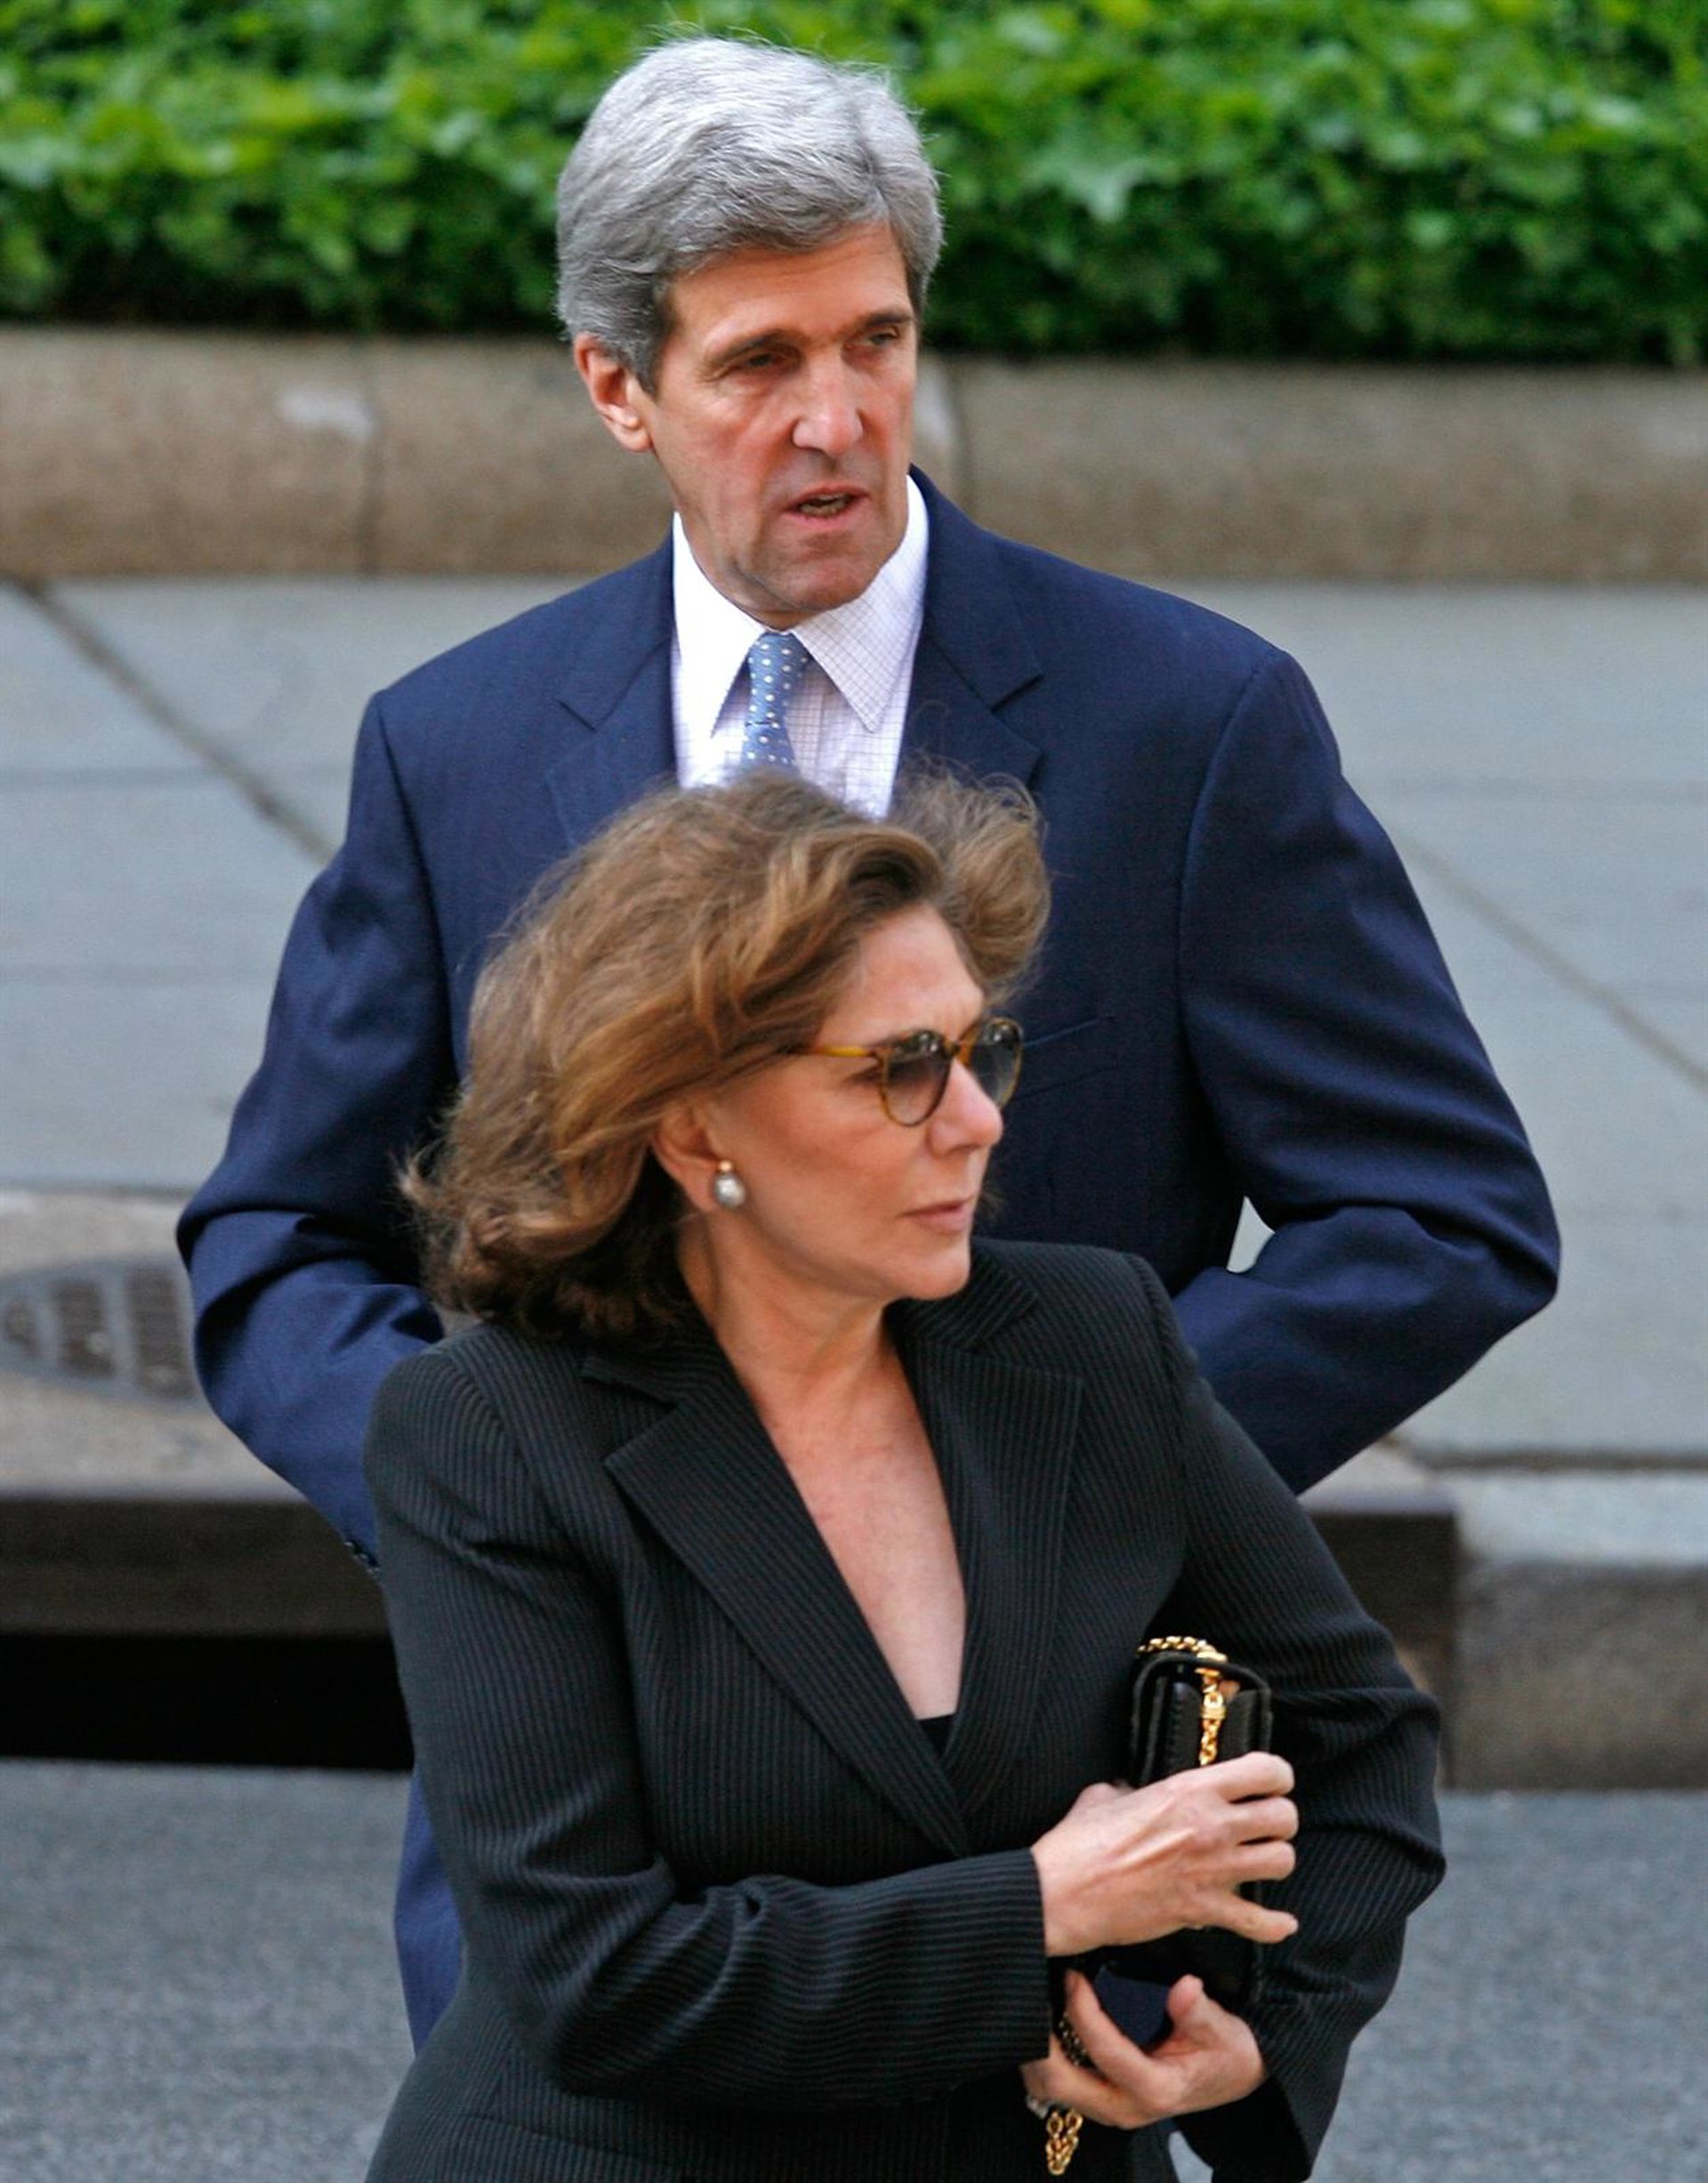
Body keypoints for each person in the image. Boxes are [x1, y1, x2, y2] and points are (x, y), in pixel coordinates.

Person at [177, 36, 1551, 2043]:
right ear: (618, 387)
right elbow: (277, 1243)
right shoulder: (455, 746)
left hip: (1021, 1813)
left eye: (877, 341)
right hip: (595, 1861)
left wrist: (1087, 1486)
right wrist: (504, 1529)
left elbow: (1440, 1215)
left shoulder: (1187, 725)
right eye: (758, 364)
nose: (836, 421)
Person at [360, 770, 1443, 2183]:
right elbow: (599, 1977)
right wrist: (1042, 1904)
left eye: (979, 1050)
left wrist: (1254, 2034)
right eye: (900, 1067)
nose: (976, 1118)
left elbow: (1359, 1732)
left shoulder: (1089, 1343)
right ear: (694, 1127)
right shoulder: (490, 1432)